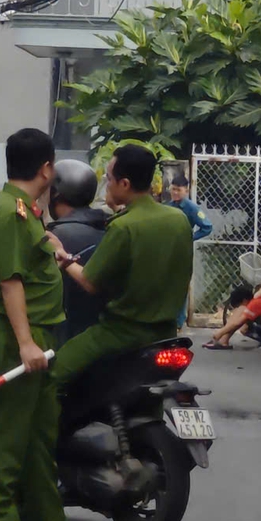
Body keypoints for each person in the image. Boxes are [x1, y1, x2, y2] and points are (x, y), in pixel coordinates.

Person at [0, 128, 78, 521]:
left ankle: (46, 518)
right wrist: (26, 343)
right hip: (21, 334)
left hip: (39, 332)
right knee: (8, 430)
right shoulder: (9, 213)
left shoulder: (26, 212)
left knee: (38, 432)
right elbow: (10, 282)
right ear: (46, 168)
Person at [49, 144, 196, 387]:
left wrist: (62, 258)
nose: (107, 184)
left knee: (52, 376)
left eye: (109, 179)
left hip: (121, 332)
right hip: (167, 333)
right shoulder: (178, 219)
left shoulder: (123, 226)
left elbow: (90, 282)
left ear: (124, 184)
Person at [48, 158, 111, 343]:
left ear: (55, 194)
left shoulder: (54, 237)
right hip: (105, 331)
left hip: (64, 335)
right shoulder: (111, 228)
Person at [205, 283, 261, 348]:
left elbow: (237, 323)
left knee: (242, 312)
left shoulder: (254, 304)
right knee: (242, 315)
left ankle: (223, 340)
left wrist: (219, 333)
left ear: (244, 300)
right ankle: (223, 340)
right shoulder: (256, 302)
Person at [166, 173, 213, 241]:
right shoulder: (168, 205)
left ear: (186, 191)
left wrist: (189, 238)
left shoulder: (192, 208)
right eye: (173, 189)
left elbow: (207, 227)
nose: (175, 192)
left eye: (179, 190)